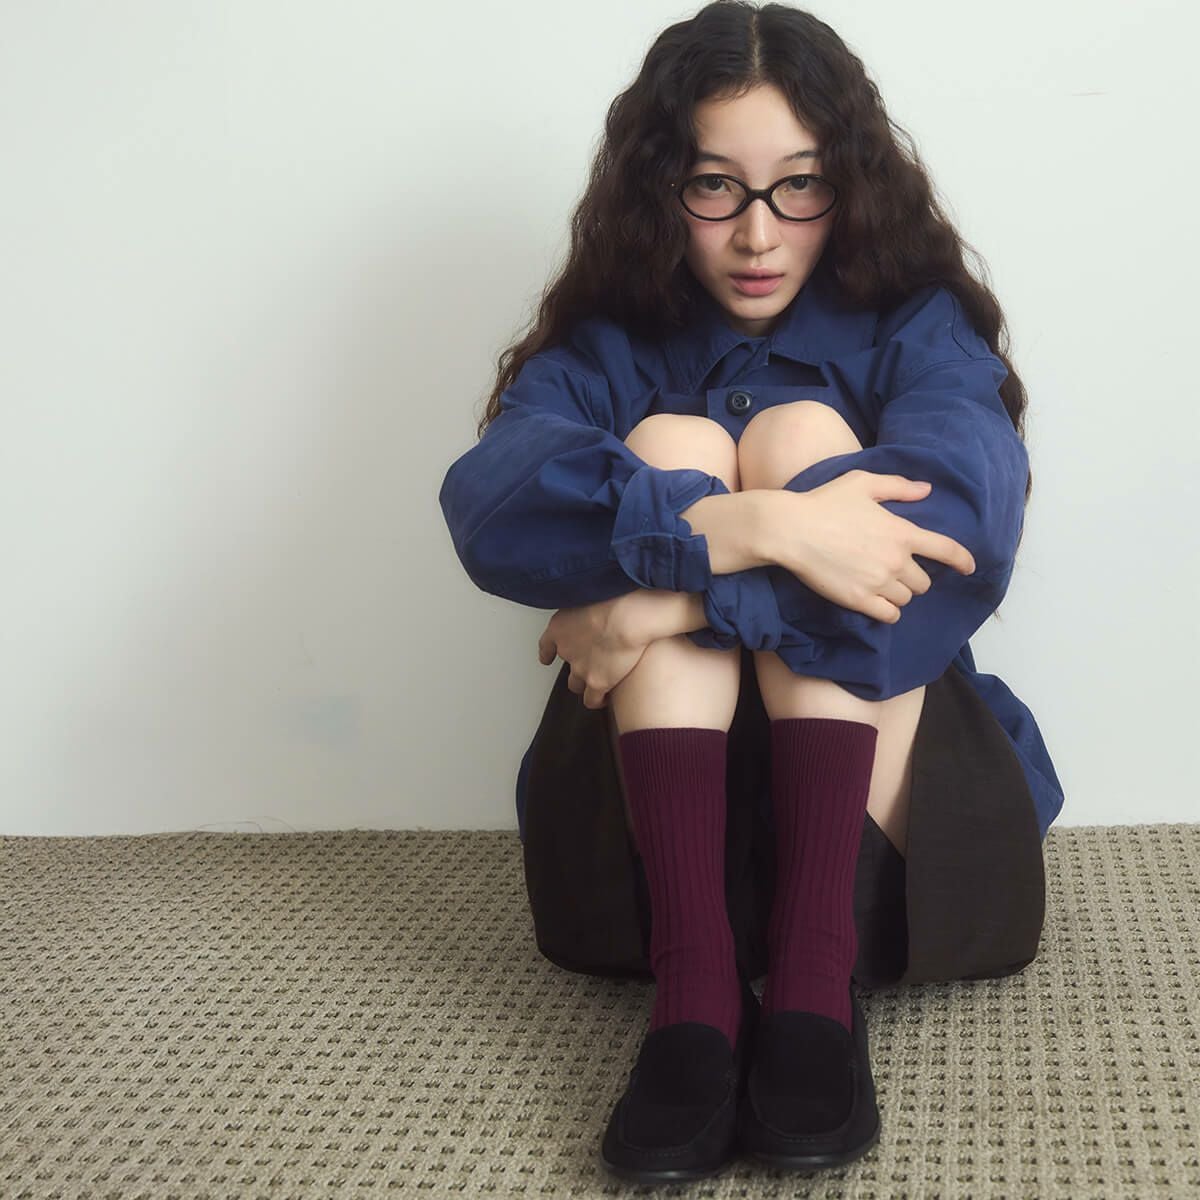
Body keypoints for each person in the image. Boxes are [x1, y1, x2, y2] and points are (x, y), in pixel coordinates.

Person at [438, 0, 1064, 1184]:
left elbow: (960, 529)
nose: (758, 233)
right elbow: (491, 508)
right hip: (651, 858)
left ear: (850, 181)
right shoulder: (614, 340)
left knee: (801, 434)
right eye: (716, 186)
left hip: (887, 847)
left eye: (800, 184)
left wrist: (662, 597)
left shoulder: (914, 325)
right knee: (678, 445)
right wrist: (756, 526)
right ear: (662, 186)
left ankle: (816, 986)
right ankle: (695, 995)